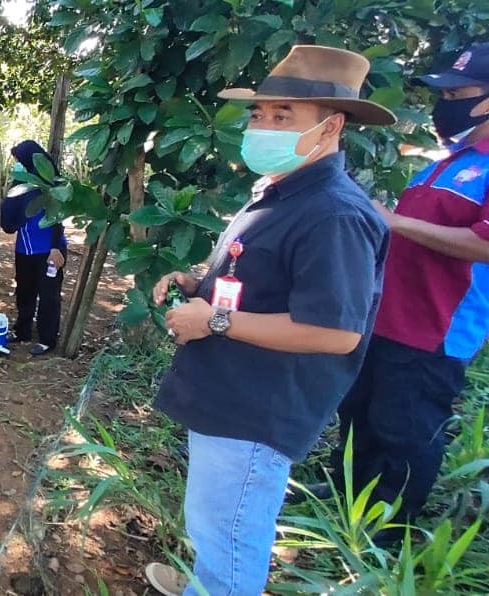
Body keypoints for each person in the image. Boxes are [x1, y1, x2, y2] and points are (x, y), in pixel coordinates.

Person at [142, 45, 394, 595]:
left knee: (231, 539)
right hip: (232, 397)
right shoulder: (283, 190)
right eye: (259, 114)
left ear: (330, 128)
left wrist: (215, 323)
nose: (263, 124)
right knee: (216, 529)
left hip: (255, 412)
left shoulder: (335, 214)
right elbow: (262, 279)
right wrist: (196, 281)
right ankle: (201, 584)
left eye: (284, 116)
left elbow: (335, 331)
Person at [296, 42, 489, 530]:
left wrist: (396, 223)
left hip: (436, 326)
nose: (447, 102)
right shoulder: (449, 161)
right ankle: (349, 491)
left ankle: (387, 527)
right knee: (360, 408)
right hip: (385, 311)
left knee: (406, 426)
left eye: (460, 92)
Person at [0, 140, 66, 356]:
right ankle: (23, 330)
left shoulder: (52, 184)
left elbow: (57, 218)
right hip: (25, 248)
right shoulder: (21, 185)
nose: (17, 164)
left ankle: (48, 339)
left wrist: (55, 248)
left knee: (48, 295)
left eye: (19, 160)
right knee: (24, 291)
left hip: (48, 249)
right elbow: (9, 219)